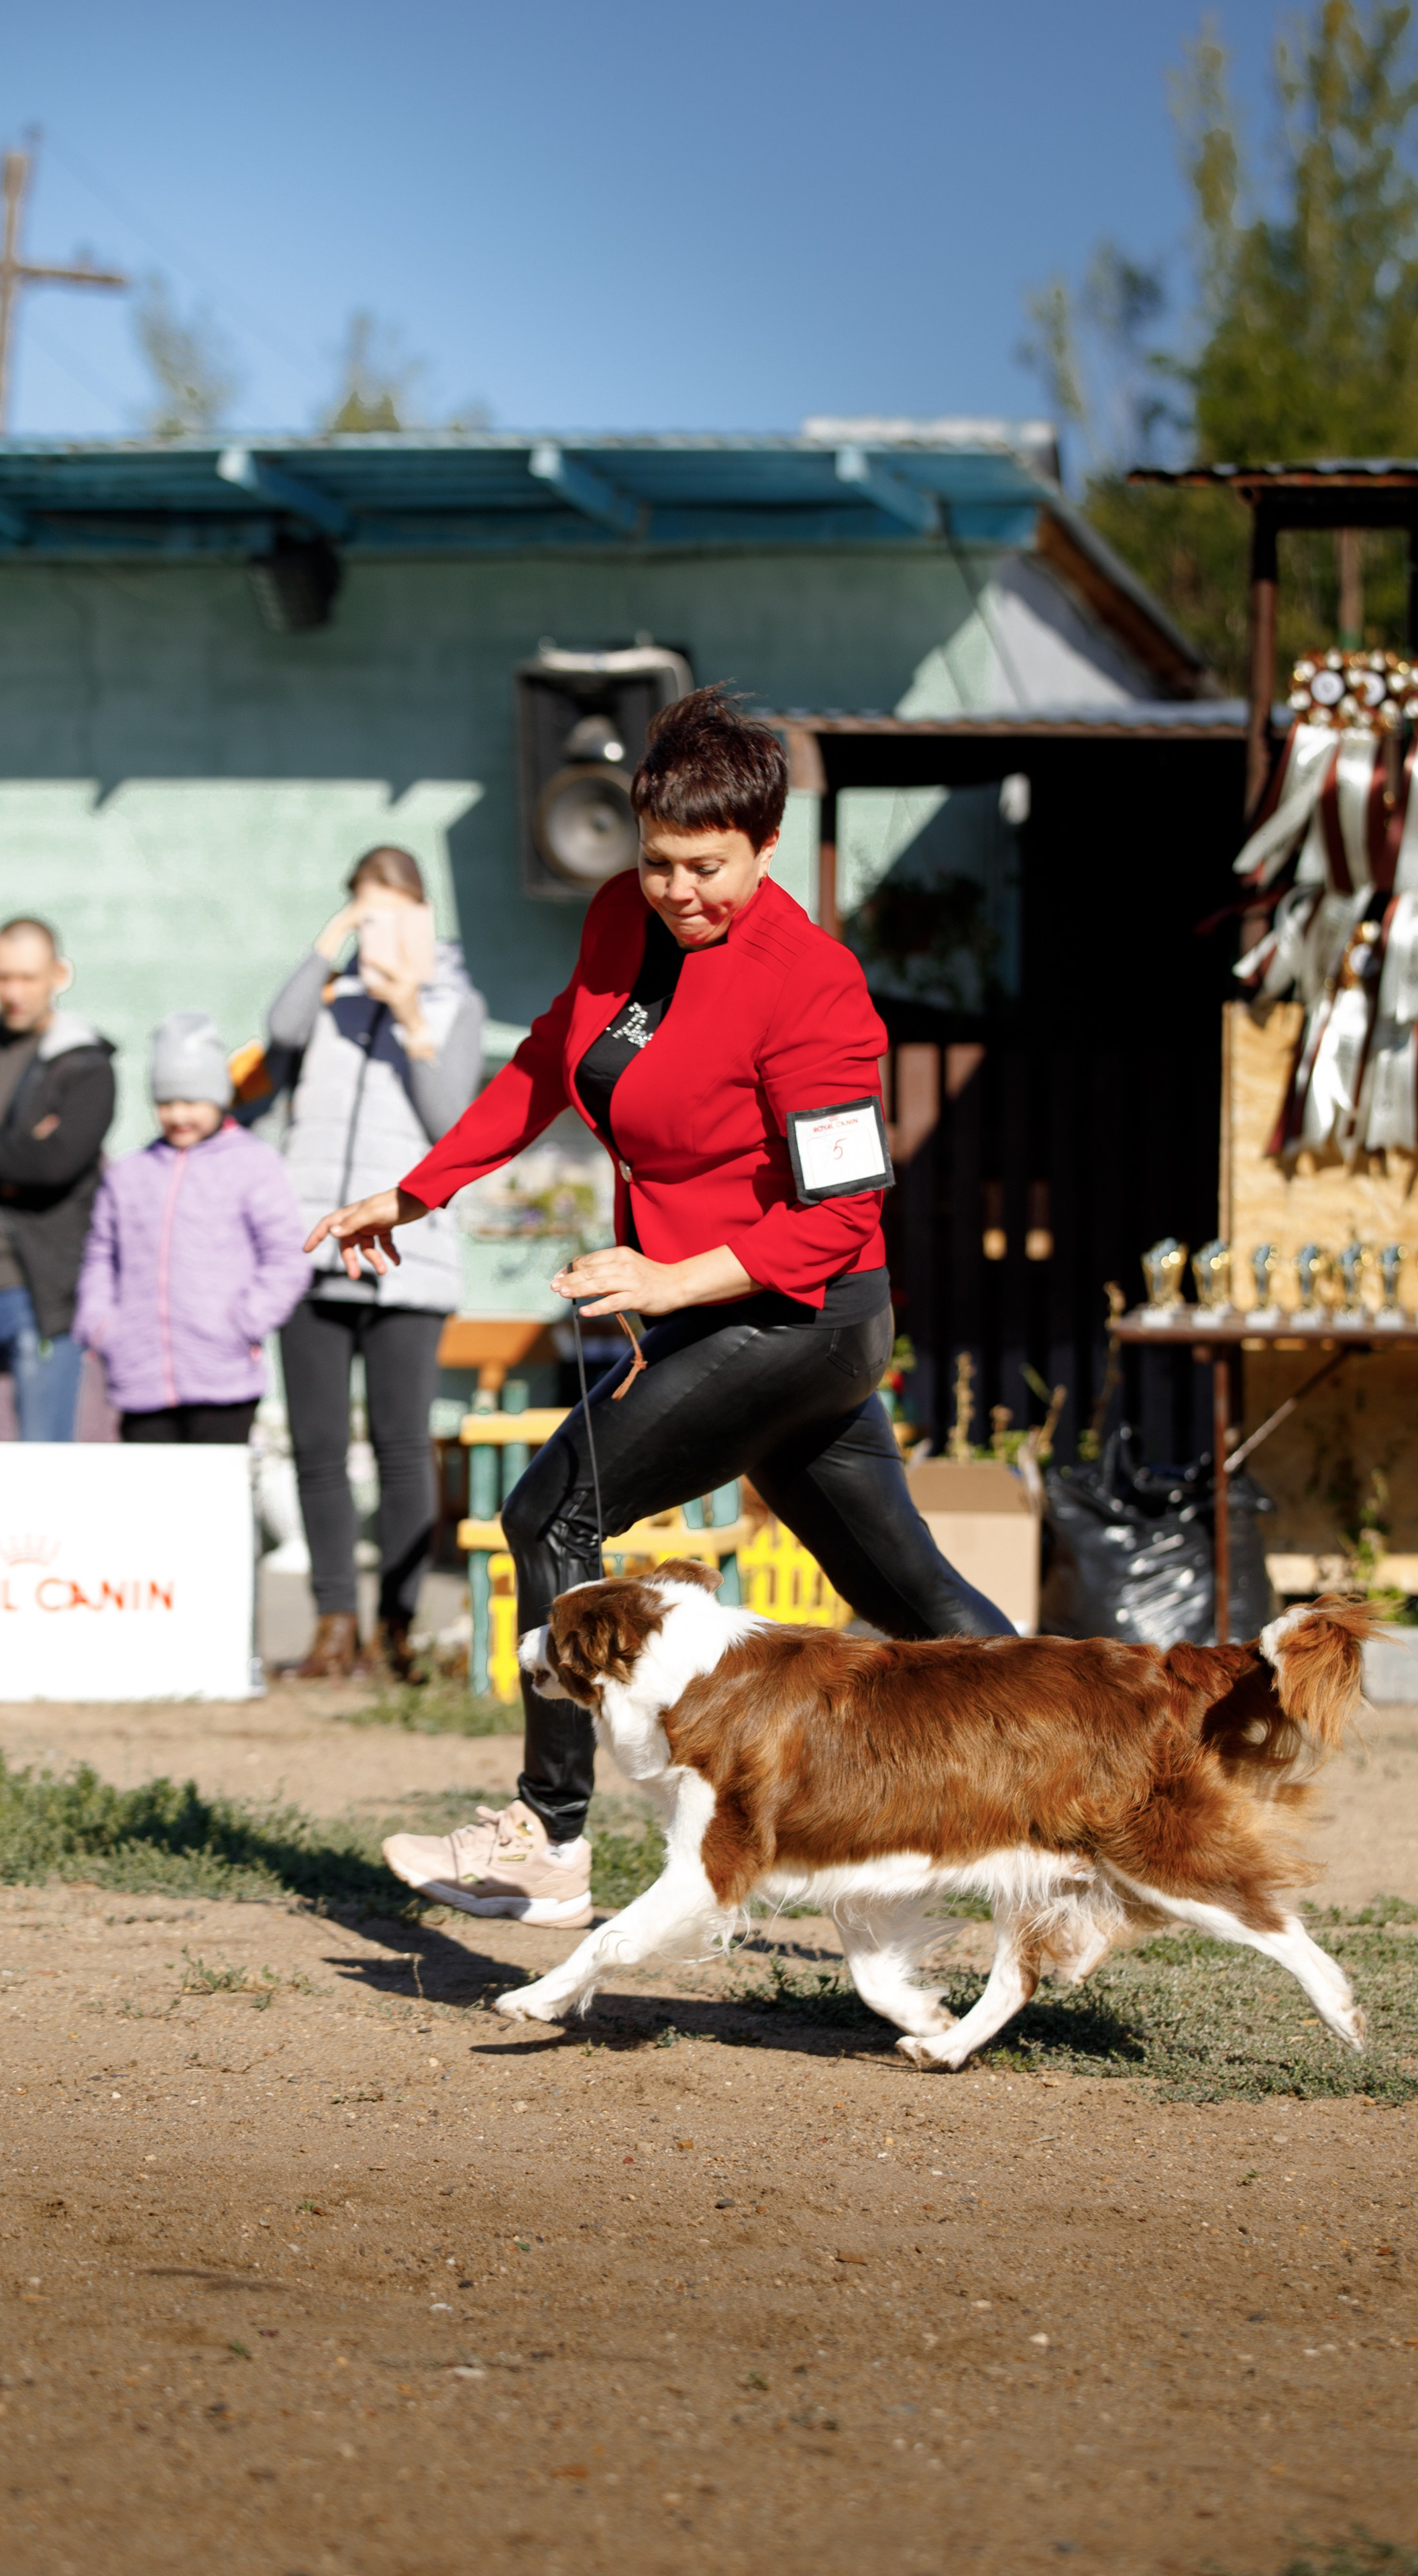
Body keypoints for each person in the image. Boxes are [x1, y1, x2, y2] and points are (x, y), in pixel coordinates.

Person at [307, 686, 1010, 1929]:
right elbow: (542, 1068)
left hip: (805, 1321)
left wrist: (671, 1279)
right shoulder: (617, 921)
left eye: (709, 868)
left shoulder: (816, 986)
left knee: (548, 1512)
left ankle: (548, 1840)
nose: (679, 891)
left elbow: (841, 1220)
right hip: (723, 1326)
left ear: (767, 846)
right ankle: (1083, 1793)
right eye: (657, 861)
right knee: (914, 1602)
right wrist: (416, 1194)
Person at [270, 845, 485, 1679]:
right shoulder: (326, 999)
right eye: (364, 911)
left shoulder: (455, 1003)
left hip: (410, 1256)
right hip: (313, 1243)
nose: (376, 930)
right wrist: (329, 944)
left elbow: (453, 1129)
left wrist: (412, 1020)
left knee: (401, 1446)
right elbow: (280, 1031)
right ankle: (333, 1629)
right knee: (317, 1447)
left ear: (424, 917)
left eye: (391, 912)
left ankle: (395, 1628)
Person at [74, 1013, 309, 1443]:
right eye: (167, 1103)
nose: (179, 1114)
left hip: (223, 1377)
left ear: (219, 1097)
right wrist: (101, 1325)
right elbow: (100, 1256)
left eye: (192, 1100)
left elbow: (286, 1256)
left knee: (213, 1501)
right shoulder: (129, 1174)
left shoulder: (254, 1165)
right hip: (138, 1377)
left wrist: (244, 1322)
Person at [0, 916, 117, 1442]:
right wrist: (22, 1148)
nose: (14, 992)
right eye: (3, 978)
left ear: (58, 974)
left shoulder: (83, 1065)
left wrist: (35, 1159)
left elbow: (54, 1165)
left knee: (41, 1454)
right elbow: (29, 1160)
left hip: (39, 1286)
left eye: (26, 977)